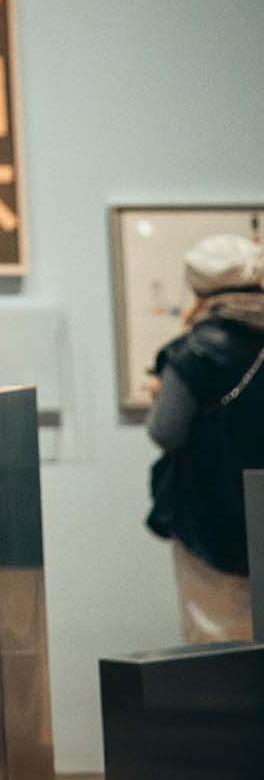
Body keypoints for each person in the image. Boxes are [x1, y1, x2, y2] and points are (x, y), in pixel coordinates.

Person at [146, 233, 264, 643]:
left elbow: (166, 432)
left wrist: (158, 397)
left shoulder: (194, 351)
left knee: (217, 643)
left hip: (209, 516)